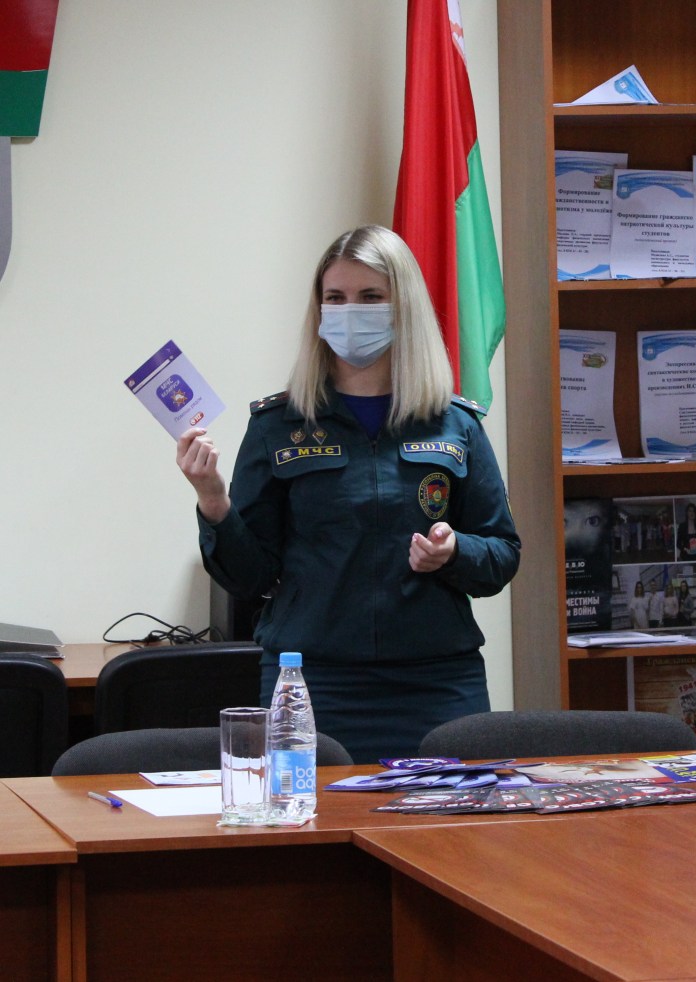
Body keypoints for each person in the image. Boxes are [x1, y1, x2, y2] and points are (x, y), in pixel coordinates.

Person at [175, 225, 521, 763]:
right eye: (335, 298)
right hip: (312, 682)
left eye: (370, 297)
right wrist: (214, 503)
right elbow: (250, 577)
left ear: (404, 308)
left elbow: (502, 554)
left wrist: (455, 551)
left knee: (448, 817)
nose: (349, 311)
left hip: (437, 681)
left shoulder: (454, 423)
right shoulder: (278, 425)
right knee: (306, 817)